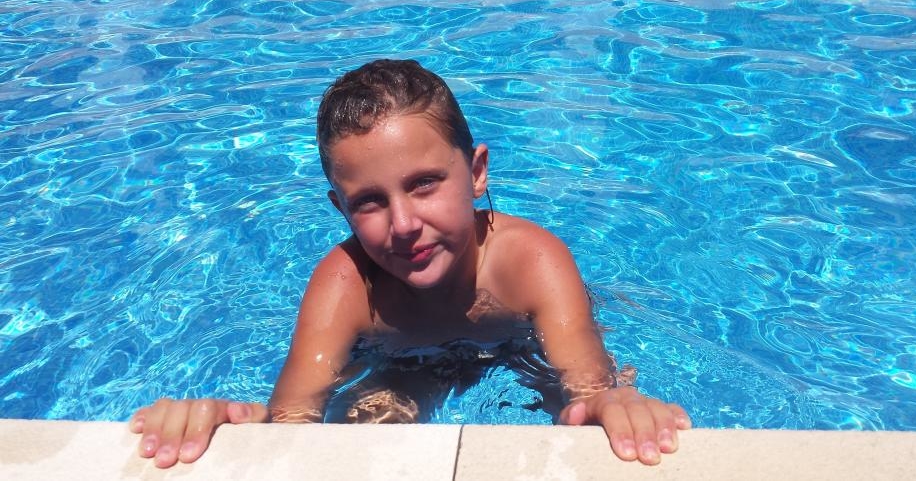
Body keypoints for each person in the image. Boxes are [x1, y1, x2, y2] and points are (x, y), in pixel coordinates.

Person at [129, 59, 690, 468]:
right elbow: (292, 424)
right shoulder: (345, 285)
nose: (402, 225)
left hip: (523, 348)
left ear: (476, 173)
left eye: (424, 184)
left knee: (572, 432)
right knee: (364, 426)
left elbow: (585, 387)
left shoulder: (531, 262)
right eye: (370, 202)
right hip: (404, 367)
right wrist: (236, 425)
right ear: (341, 209)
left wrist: (607, 402)